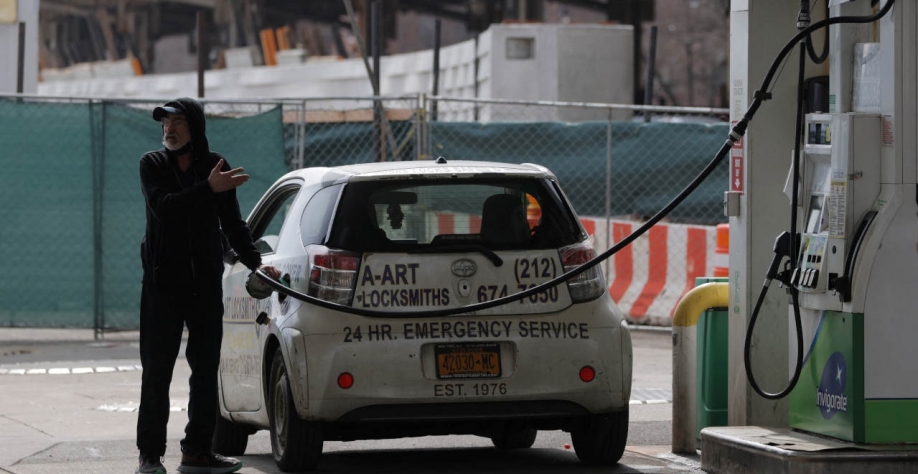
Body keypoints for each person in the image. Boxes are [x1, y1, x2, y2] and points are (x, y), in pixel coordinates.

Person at [136, 97, 281, 474]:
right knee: (156, 372)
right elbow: (164, 207)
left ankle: (197, 451)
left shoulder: (215, 166)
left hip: (203, 286)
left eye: (178, 121)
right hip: (162, 287)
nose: (169, 129)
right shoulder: (151, 164)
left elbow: (233, 225)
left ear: (194, 126)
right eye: (165, 123)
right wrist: (207, 188)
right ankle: (149, 456)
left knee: (206, 371)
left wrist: (258, 265)